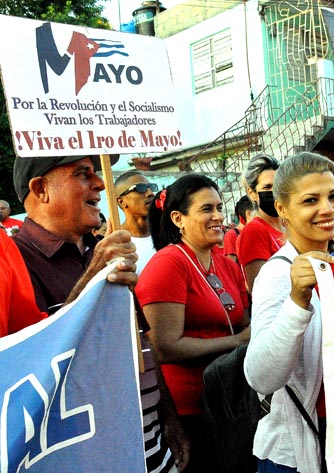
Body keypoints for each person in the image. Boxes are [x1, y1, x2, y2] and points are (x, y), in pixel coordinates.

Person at [12, 155, 186, 473]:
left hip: (151, 446)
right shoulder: (14, 263)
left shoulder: (99, 250)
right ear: (40, 189)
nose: (100, 184)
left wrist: (168, 417)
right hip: (87, 457)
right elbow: (29, 367)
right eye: (82, 174)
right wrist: (91, 281)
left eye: (96, 172)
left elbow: (142, 341)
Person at [136, 174, 251, 472]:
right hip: (190, 412)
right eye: (206, 209)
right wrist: (238, 342)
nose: (217, 216)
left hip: (231, 400)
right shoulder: (167, 264)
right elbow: (163, 347)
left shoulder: (225, 263)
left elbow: (243, 321)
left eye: (219, 207)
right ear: (178, 218)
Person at [244, 152, 334, 472]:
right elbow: (260, 376)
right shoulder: (277, 275)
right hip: (296, 457)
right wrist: (298, 300)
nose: (327, 209)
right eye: (311, 200)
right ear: (283, 209)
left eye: (333, 196)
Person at [237, 154, 285, 292]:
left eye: (278, 185)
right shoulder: (254, 231)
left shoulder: (289, 225)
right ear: (252, 193)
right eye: (267, 187)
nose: (274, 192)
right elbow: (259, 289)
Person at [115, 171, 159, 272]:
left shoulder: (166, 235)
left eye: (151, 187)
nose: (150, 194)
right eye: (140, 188)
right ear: (121, 202)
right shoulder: (116, 243)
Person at [224, 195, 255, 263]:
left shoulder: (259, 232)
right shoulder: (232, 235)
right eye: (257, 212)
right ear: (248, 214)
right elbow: (231, 265)